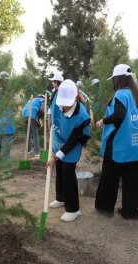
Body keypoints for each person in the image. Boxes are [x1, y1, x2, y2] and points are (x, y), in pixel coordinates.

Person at [95, 64, 138, 220]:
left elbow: (119, 115)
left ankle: (105, 208)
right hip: (136, 144)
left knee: (110, 177)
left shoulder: (120, 95)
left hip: (119, 144)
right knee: (133, 180)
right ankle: (130, 211)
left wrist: (103, 121)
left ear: (117, 79)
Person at [47, 79, 91, 222]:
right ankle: (61, 198)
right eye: (62, 103)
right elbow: (52, 116)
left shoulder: (82, 116)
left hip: (72, 145)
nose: (64, 106)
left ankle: (73, 209)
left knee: (67, 173)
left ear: (75, 98)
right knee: (59, 170)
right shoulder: (56, 101)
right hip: (59, 139)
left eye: (67, 103)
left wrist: (56, 156)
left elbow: (74, 140)